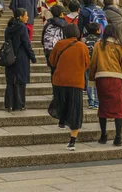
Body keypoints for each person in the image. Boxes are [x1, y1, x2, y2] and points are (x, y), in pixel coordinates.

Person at [49, 23, 90, 151]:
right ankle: (72, 141)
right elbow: (87, 64)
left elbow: (52, 61)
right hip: (76, 82)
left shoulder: (59, 44)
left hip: (60, 80)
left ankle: (62, 119)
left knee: (61, 101)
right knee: (76, 109)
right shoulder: (82, 47)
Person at [89, 24, 122, 146]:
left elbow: (93, 63)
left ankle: (103, 135)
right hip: (116, 79)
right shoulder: (121, 47)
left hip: (101, 78)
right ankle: (118, 137)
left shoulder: (98, 45)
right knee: (118, 109)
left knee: (103, 107)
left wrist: (91, 80)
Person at [4, 8, 37, 112]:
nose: (27, 17)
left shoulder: (9, 27)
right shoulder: (22, 27)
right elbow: (26, 43)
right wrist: (33, 57)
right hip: (21, 56)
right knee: (20, 81)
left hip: (9, 56)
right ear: (20, 17)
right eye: (26, 15)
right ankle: (19, 104)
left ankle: (9, 104)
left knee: (10, 80)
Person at [82, 22, 102, 109]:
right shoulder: (99, 41)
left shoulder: (84, 40)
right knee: (97, 83)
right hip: (96, 64)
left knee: (89, 82)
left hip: (86, 63)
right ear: (97, 31)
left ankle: (91, 101)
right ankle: (96, 102)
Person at [41, 4, 67, 71]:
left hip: (48, 49)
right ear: (61, 14)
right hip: (59, 50)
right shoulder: (64, 24)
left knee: (53, 71)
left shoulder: (48, 23)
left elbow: (43, 37)